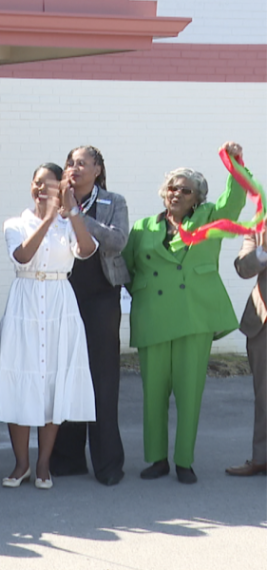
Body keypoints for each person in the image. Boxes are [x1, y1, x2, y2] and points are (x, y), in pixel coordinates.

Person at [123, 141, 248, 484]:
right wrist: (144, 295)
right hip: (153, 317)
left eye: (185, 190)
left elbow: (234, 201)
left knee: (189, 393)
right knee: (153, 395)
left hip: (194, 317)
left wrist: (235, 163)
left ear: (198, 199)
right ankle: (157, 459)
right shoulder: (143, 227)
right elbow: (129, 268)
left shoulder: (210, 219)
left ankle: (184, 462)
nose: (176, 193)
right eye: (172, 188)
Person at [0, 163, 98, 490]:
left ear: (62, 188)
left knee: (51, 382)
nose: (42, 189)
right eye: (37, 183)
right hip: (25, 302)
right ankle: (21, 464)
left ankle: (44, 463)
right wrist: (47, 220)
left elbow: (86, 250)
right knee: (20, 379)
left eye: (49, 184)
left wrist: (70, 213)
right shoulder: (16, 223)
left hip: (59, 303)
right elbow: (22, 256)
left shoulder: (69, 223)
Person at [50, 146, 130, 486]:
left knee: (102, 378)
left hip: (101, 298)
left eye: (82, 163)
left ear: (98, 169)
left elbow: (118, 241)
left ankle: (108, 463)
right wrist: (62, 208)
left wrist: (78, 215)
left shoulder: (114, 202)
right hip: (63, 296)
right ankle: (67, 458)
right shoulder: (55, 200)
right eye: (70, 163)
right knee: (66, 373)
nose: (74, 168)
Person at [227, 225, 266, 477]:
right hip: (263, 322)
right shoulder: (260, 226)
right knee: (264, 396)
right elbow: (243, 267)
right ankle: (261, 458)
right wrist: (264, 251)